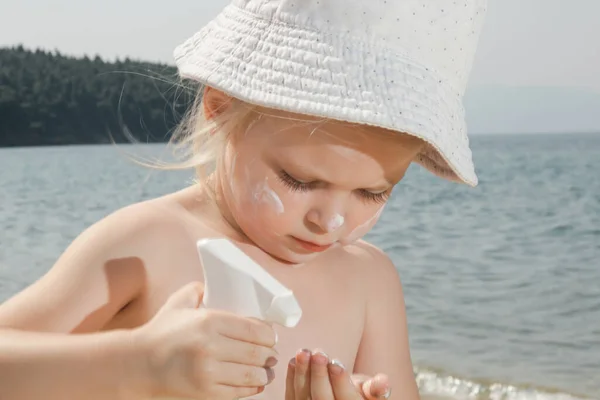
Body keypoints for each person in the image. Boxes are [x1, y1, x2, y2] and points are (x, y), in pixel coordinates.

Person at [0, 0, 488, 399]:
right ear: (220, 107)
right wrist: (137, 364)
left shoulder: (370, 281)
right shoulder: (143, 245)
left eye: (372, 192)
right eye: (299, 180)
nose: (331, 221)